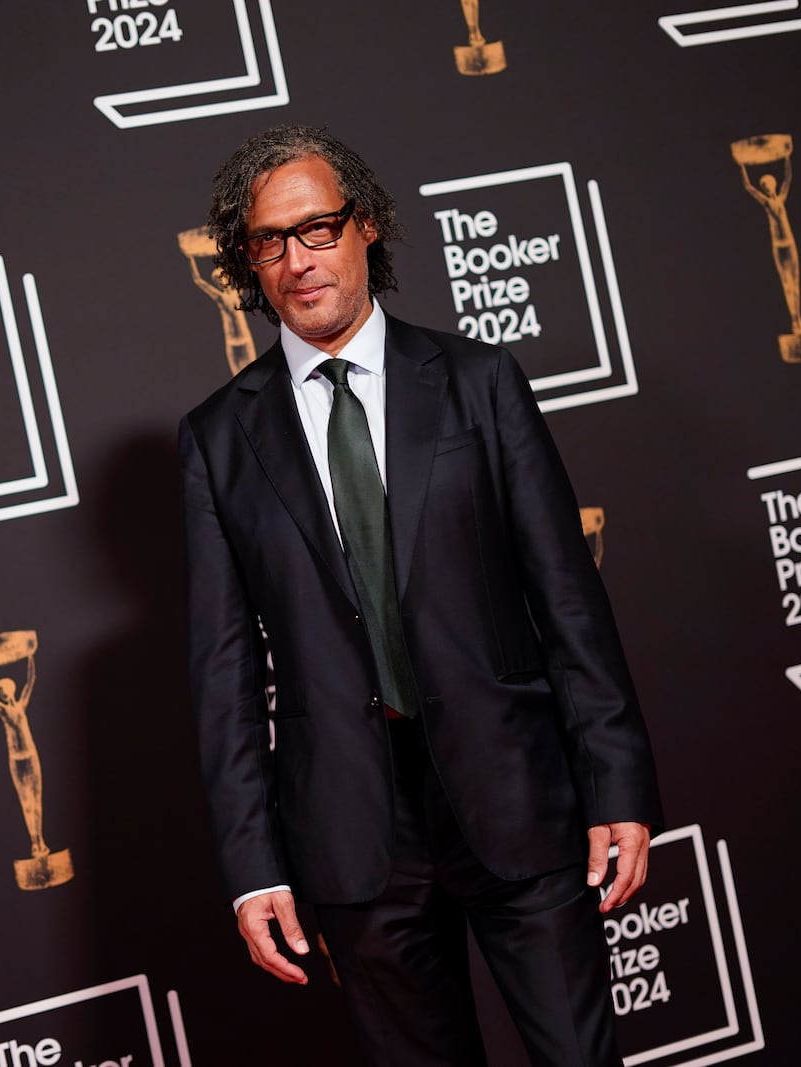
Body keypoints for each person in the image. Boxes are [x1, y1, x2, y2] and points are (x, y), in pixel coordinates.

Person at [178, 125, 663, 1066]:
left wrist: (618, 783)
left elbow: (569, 602)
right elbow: (222, 674)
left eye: (317, 228)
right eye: (269, 241)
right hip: (353, 835)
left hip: (516, 794)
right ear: (249, 262)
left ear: (366, 228)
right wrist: (251, 870)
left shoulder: (479, 383)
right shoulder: (216, 440)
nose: (296, 259)